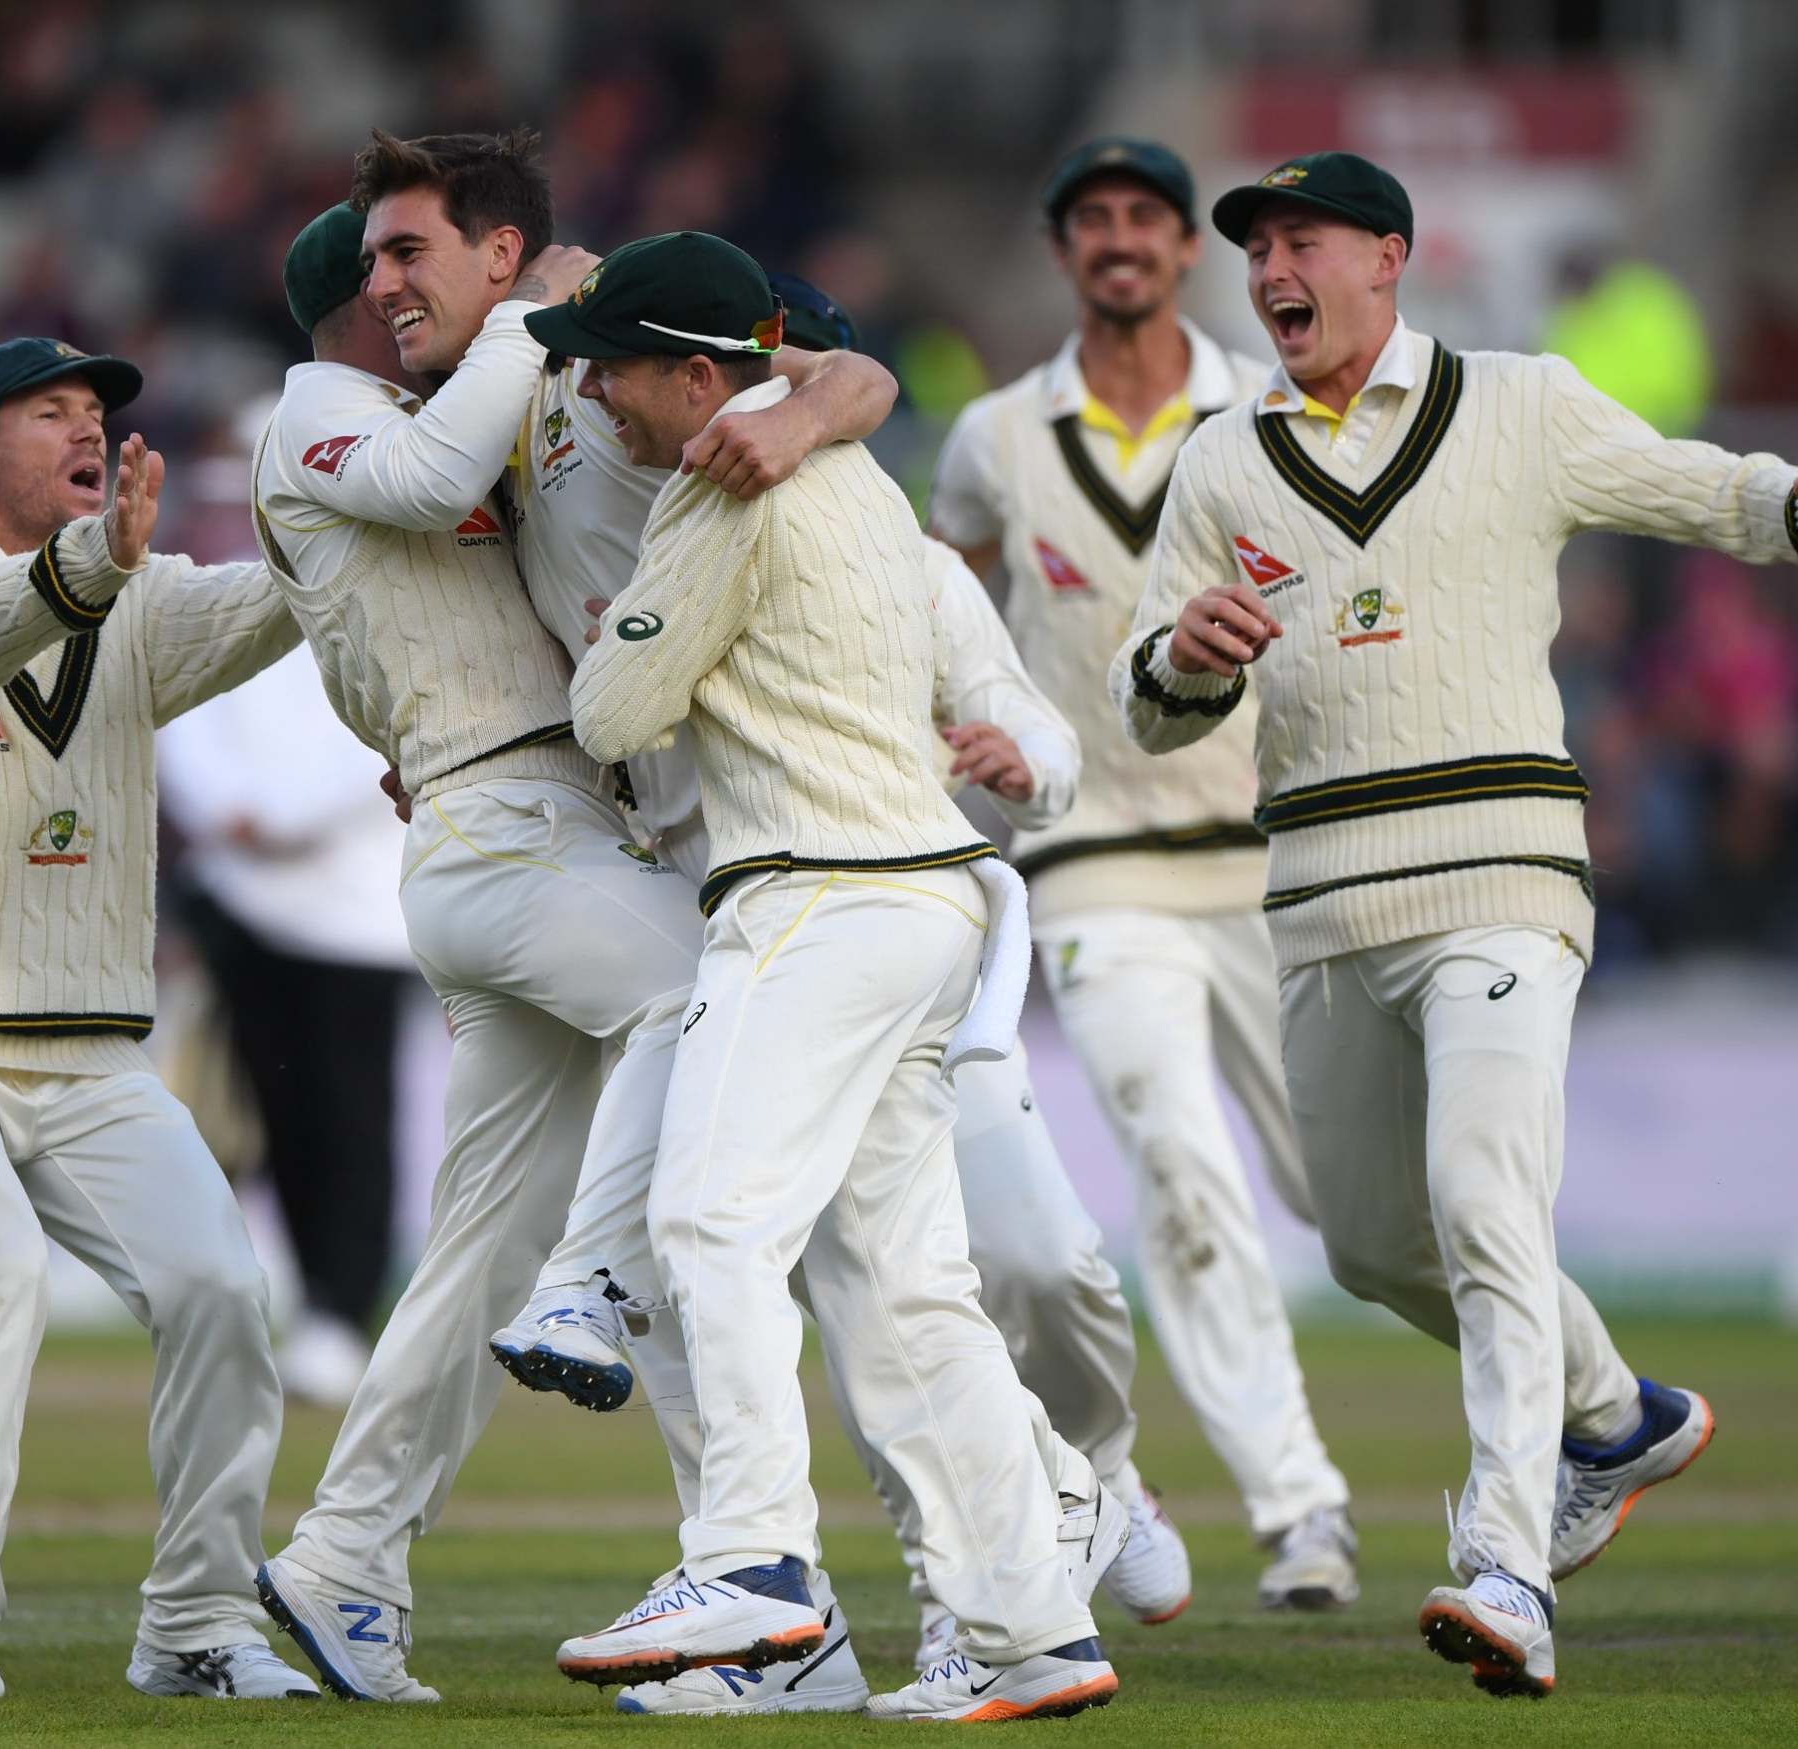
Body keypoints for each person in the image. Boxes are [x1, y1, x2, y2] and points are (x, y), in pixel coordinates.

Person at [1113, 149, 1798, 1698]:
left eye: (1305, 242)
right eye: (1258, 247)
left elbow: (1698, 486)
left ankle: (1505, 1569)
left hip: (1503, 876)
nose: (1274, 272)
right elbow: (1150, 696)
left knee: (1482, 1195)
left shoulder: (1520, 404)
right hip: (1324, 904)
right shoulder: (1221, 461)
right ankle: (1613, 1417)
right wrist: (1189, 658)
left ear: (1390, 257)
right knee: (1369, 1242)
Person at [244, 140, 896, 1705]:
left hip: (531, 835)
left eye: (418, 267)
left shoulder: (522, 376)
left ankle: (343, 1557)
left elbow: (830, 362)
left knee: (479, 1245)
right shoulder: (333, 411)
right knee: (712, 1026)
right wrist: (536, 312)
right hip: (508, 831)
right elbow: (419, 496)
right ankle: (754, 1572)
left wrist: (805, 398)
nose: (397, 299)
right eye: (378, 275)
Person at [490, 274, 1191, 1719]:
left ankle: (750, 1562)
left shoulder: (721, 489)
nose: (594, 395)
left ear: (690, 377)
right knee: (906, 1292)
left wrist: (634, 630)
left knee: (706, 1220)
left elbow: (615, 717)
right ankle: (1026, 1627)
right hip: (923, 898)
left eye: (611, 370)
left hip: (809, 892)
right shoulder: (866, 479)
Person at [0, 338, 315, 1701]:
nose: (90, 430)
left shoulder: (135, 595)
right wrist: (99, 571)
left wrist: (352, 513)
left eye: (99, 414)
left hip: (87, 1052)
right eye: (53, 413)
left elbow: (277, 604)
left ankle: (198, 1627)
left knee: (219, 1289)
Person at [932, 137, 1358, 1609]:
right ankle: (1299, 1508)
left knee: (1349, 1198)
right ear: (1064, 250)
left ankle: (1580, 1411)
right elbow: (939, 598)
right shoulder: (994, 434)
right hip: (1095, 864)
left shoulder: (1268, 404)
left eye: (1144, 220)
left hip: (1274, 852)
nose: (1118, 241)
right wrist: (961, 722)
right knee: (1182, 1178)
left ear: (1187, 250)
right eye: (1092, 219)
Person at [158, 642, 418, 1408]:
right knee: (271, 1120)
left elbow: (396, 733)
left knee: (352, 1120)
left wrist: (274, 818)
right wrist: (230, 815)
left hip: (360, 913)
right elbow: (184, 716)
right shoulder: (235, 606)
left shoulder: (381, 613)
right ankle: (308, 1303)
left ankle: (341, 1311)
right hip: (243, 904)